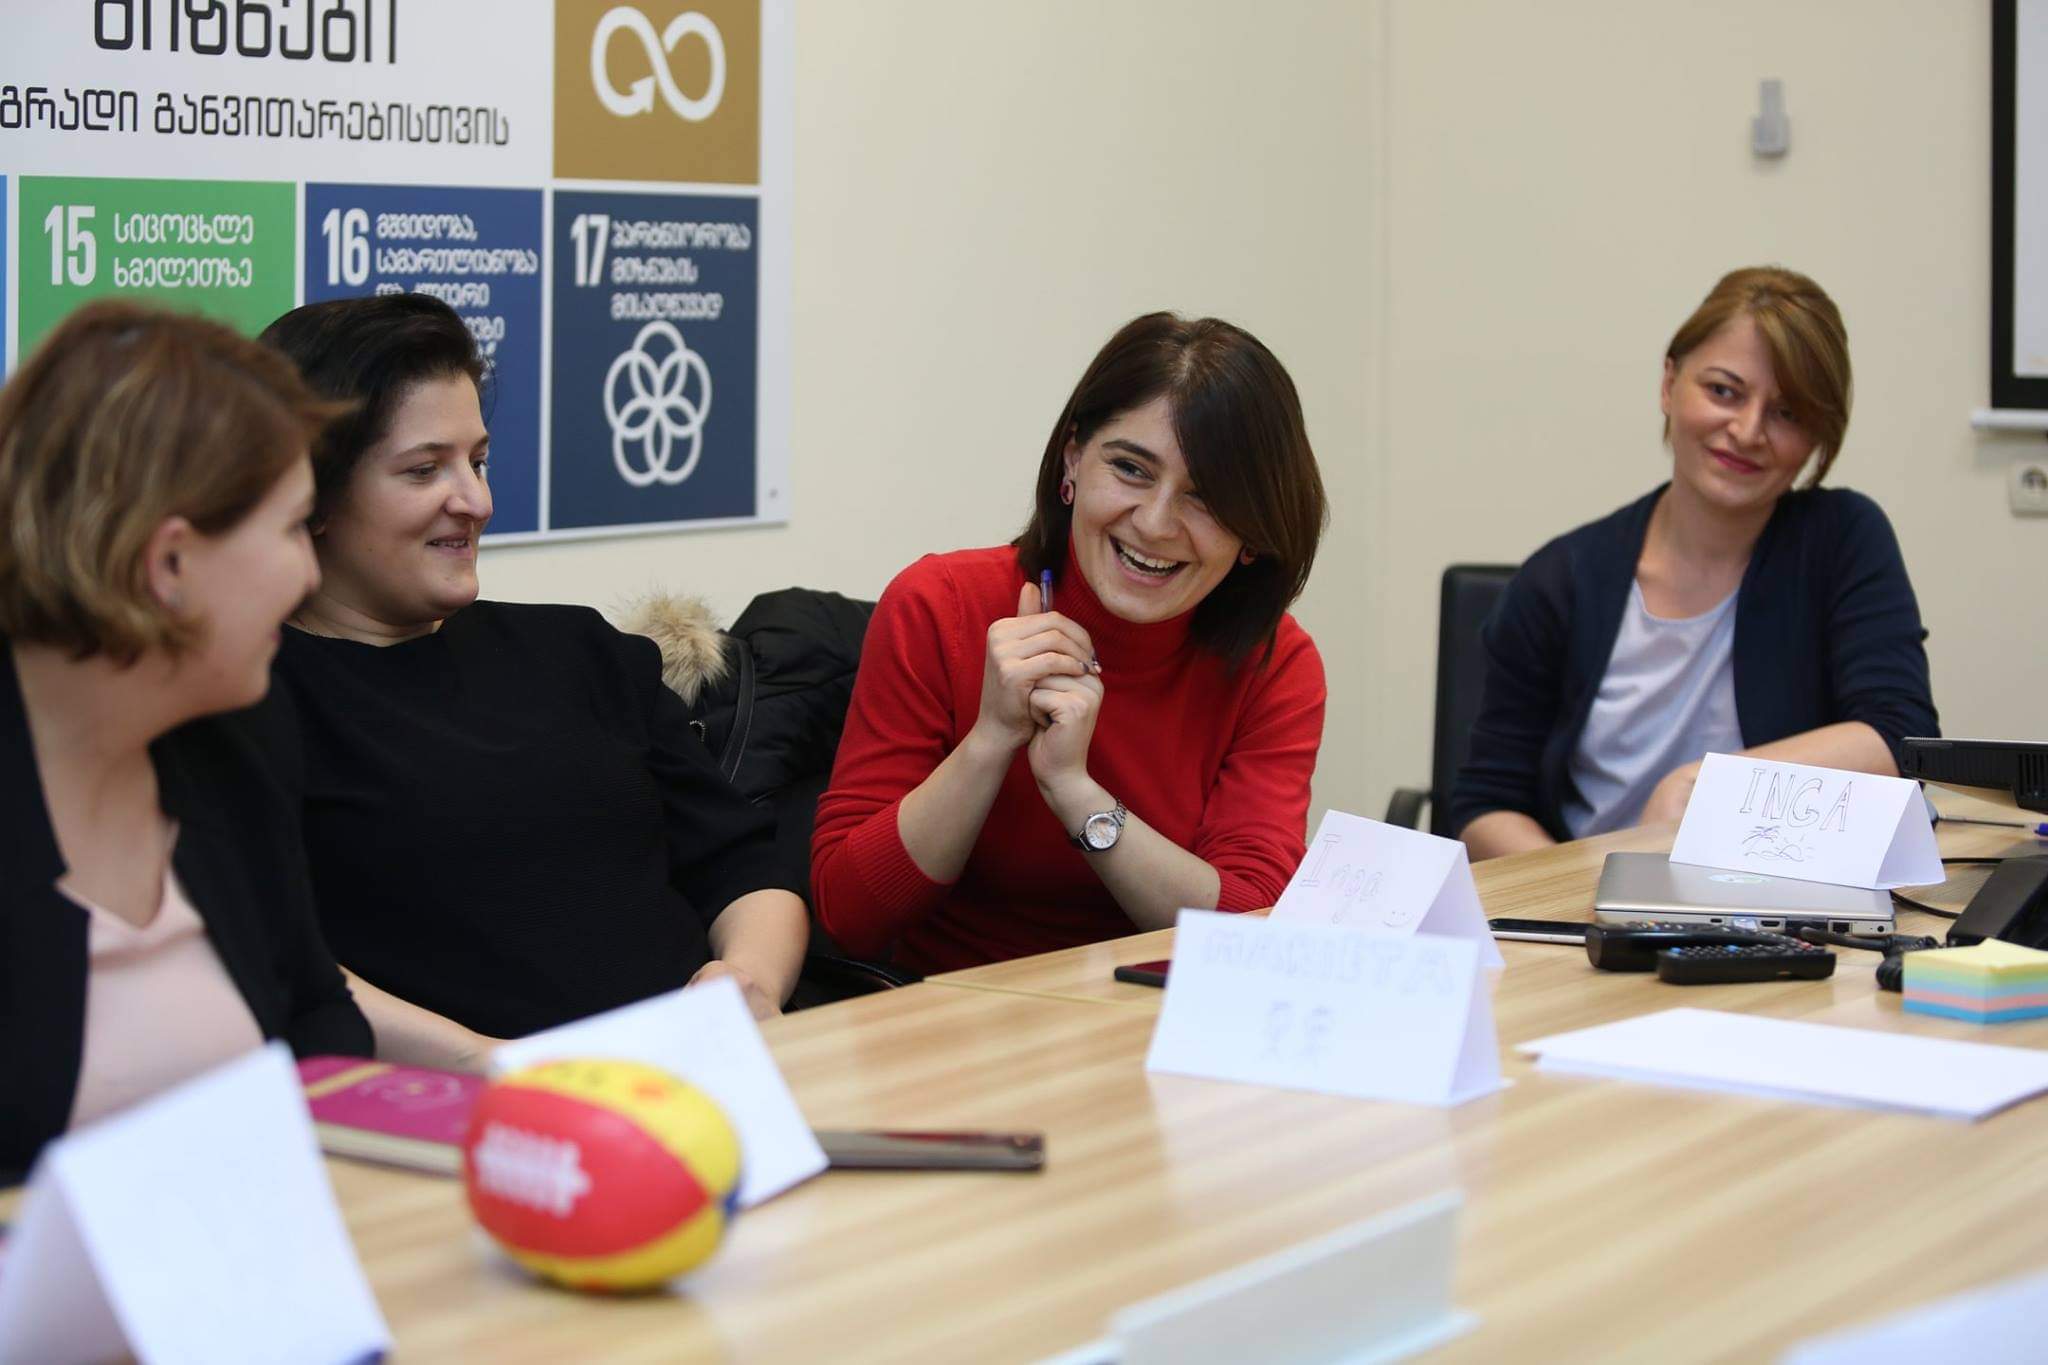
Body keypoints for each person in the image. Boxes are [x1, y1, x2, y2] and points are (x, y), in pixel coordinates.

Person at [256, 294, 807, 1062]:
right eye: (424, 471)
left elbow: (746, 865)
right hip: (461, 1119)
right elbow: (271, 959)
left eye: (476, 461)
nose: (476, 501)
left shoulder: (576, 648)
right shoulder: (250, 698)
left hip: (703, 1079)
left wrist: (749, 980)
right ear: (309, 495)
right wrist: (491, 1064)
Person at [811, 312, 1329, 971]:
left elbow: (1251, 929)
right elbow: (848, 914)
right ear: (1073, 458)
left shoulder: (1274, 662)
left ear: (1254, 531)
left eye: (1206, 497)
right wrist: (991, 739)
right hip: (954, 1022)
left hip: (1164, 1024)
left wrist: (1072, 789)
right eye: (1132, 469)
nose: (1156, 521)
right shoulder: (939, 606)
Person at [0, 302, 372, 1182]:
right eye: (291, 528)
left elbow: (316, 1011)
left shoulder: (238, 733)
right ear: (169, 565)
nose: (311, 572)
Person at [1451, 266, 1939, 859]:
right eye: (1723, 391)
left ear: (1817, 437)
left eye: (1787, 413)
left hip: (1787, 908)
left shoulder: (1842, 539)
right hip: (1589, 918)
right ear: (1669, 383)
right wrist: (1599, 883)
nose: (1748, 430)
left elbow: (1899, 738)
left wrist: (1701, 784)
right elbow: (1484, 805)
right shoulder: (1559, 581)